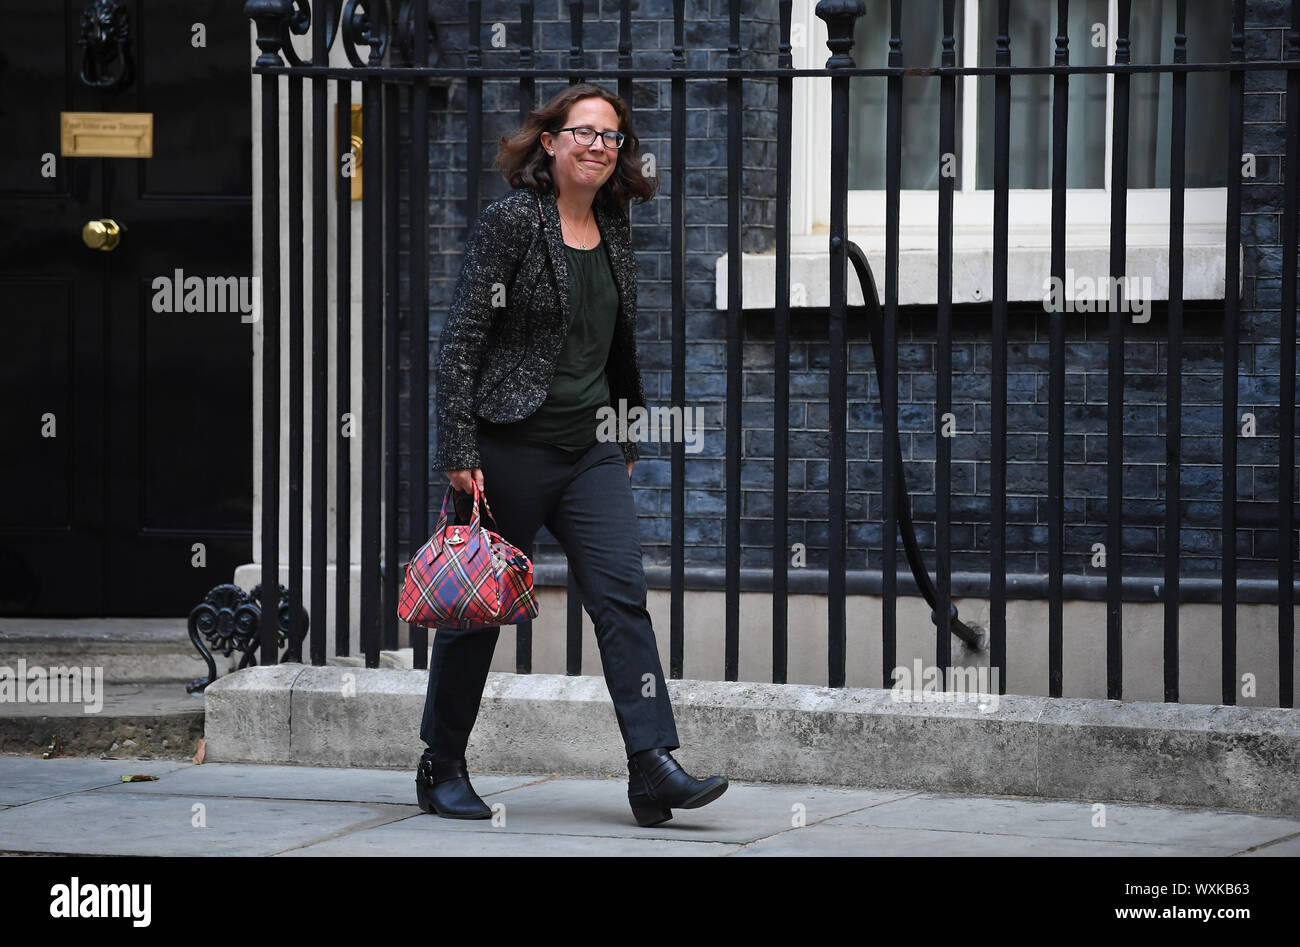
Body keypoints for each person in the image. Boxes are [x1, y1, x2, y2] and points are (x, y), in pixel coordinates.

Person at [416, 83, 728, 827]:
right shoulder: (513, 222)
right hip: (505, 449)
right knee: (477, 609)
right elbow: (462, 336)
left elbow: (616, 340)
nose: (596, 145)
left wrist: (624, 430)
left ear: (621, 153)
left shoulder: (614, 223)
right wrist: (458, 444)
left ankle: (651, 766)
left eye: (610, 137)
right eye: (582, 132)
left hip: (589, 450)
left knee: (623, 600)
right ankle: (442, 763)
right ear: (550, 141)